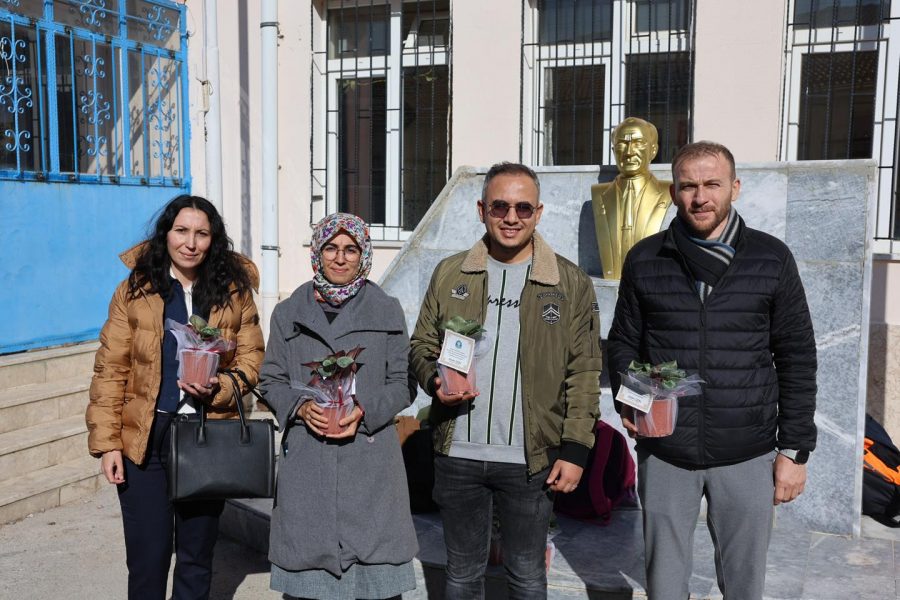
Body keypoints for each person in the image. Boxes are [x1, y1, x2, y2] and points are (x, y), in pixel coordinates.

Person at [607, 141, 818, 599]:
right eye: (688, 186)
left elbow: (797, 356)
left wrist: (795, 451)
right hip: (666, 452)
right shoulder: (646, 259)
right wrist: (633, 398)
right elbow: (623, 342)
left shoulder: (771, 258)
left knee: (744, 585)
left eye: (711, 184)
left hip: (746, 451)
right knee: (664, 583)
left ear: (735, 188)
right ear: (673, 191)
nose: (700, 197)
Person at [409, 162, 602, 599]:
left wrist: (575, 450)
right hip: (457, 452)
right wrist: (433, 381)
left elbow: (585, 370)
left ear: (539, 212)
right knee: (461, 576)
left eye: (522, 207)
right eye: (500, 206)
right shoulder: (451, 273)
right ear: (481, 210)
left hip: (530, 459)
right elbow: (421, 344)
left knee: (528, 577)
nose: (511, 217)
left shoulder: (569, 283)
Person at [86, 194, 265, 600]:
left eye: (202, 233)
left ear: (213, 239)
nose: (191, 242)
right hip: (145, 441)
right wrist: (108, 444)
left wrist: (219, 388)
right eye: (182, 231)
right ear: (166, 233)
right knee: (147, 561)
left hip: (207, 437)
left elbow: (253, 360)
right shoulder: (136, 289)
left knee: (196, 558)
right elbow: (110, 370)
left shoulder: (233, 292)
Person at [259, 213, 418, 600]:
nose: (340, 258)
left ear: (364, 254)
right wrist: (298, 406)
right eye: (331, 248)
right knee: (308, 584)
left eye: (351, 249)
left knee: (374, 580)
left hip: (370, 463)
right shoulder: (288, 312)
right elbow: (270, 379)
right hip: (309, 461)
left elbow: (403, 382)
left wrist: (365, 408)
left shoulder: (387, 310)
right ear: (317, 253)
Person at [591, 117, 672, 279]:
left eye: (638, 142)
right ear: (613, 151)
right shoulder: (599, 195)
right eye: (621, 144)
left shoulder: (668, 191)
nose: (629, 152)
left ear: (653, 150)